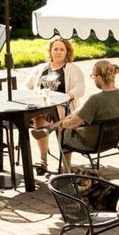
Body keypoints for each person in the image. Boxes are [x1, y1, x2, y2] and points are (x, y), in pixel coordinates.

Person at [34, 59, 119, 167]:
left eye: (93, 76)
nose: (94, 79)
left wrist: (62, 125)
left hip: (90, 142)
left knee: (65, 131)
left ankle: (66, 170)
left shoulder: (95, 99)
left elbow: (73, 124)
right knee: (78, 112)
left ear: (99, 77)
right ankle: (50, 127)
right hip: (111, 140)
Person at [32, 36, 89, 173]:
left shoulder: (72, 69)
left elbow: (80, 89)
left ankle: (65, 164)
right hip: (44, 107)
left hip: (65, 108)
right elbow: (25, 86)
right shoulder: (41, 68)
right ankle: (43, 160)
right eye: (55, 49)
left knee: (59, 111)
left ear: (67, 52)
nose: (58, 52)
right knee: (39, 117)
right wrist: (35, 94)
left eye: (61, 49)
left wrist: (66, 97)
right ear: (50, 51)